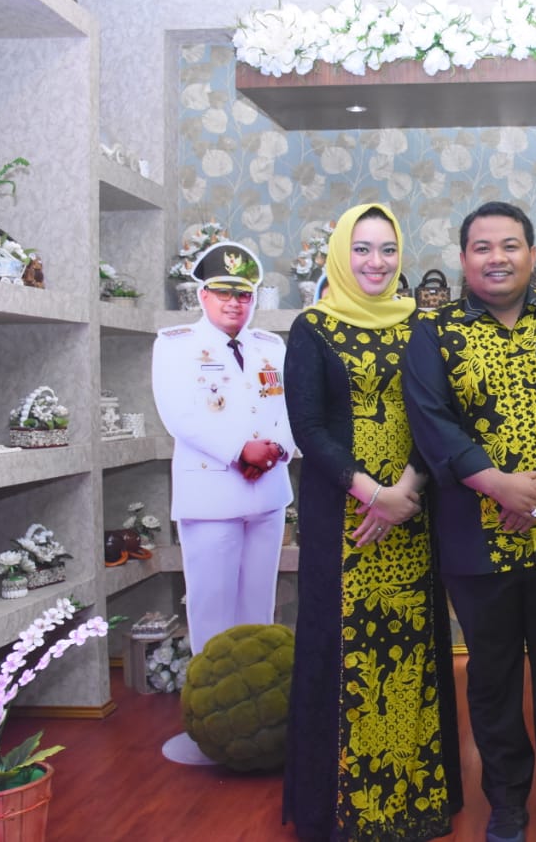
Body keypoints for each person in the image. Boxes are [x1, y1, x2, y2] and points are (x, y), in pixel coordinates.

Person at [403, 201, 536, 842]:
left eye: (511, 245)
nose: (498, 258)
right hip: (474, 537)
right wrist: (497, 486)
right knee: (491, 677)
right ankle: (508, 801)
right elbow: (430, 419)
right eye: (483, 247)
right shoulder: (433, 331)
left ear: (533, 254)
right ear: (464, 259)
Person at [280, 203, 462, 840]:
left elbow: (440, 414)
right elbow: (308, 426)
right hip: (342, 515)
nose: (376, 262)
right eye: (361, 249)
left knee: (411, 646)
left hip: (414, 508)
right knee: (338, 645)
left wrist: (406, 489)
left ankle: (414, 796)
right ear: (340, 255)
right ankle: (340, 807)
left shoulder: (424, 326)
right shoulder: (312, 328)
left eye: (387, 249)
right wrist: (370, 493)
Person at [151, 241, 294, 764]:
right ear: (202, 295)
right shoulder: (176, 345)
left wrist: (279, 448)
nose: (235, 303)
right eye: (223, 293)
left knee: (257, 611)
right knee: (211, 612)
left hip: (267, 492)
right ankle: (209, 725)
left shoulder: (270, 347)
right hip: (211, 494)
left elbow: (290, 409)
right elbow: (179, 415)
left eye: (244, 294)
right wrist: (239, 450)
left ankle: (258, 725)